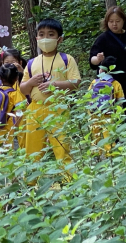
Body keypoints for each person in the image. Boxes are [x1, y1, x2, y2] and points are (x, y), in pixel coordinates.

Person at [20, 18, 81, 162]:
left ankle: (68, 180)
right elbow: (23, 89)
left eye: (51, 34)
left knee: (62, 147)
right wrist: (31, 82)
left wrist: (55, 85)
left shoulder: (67, 59)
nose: (45, 38)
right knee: (32, 149)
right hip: (35, 109)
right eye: (41, 34)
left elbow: (76, 82)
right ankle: (31, 182)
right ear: (36, 38)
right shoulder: (31, 62)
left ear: (59, 39)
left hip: (58, 108)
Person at [89, 6, 126, 109]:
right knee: (114, 112)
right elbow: (92, 61)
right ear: (106, 22)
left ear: (123, 21)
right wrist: (98, 59)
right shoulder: (103, 39)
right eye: (111, 21)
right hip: (112, 83)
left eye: (117, 21)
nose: (114, 24)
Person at [88, 56, 125, 150]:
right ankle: (110, 155)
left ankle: (96, 155)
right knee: (108, 137)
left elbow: (88, 99)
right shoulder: (115, 83)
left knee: (95, 136)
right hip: (109, 115)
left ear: (101, 69)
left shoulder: (94, 82)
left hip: (94, 114)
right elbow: (120, 101)